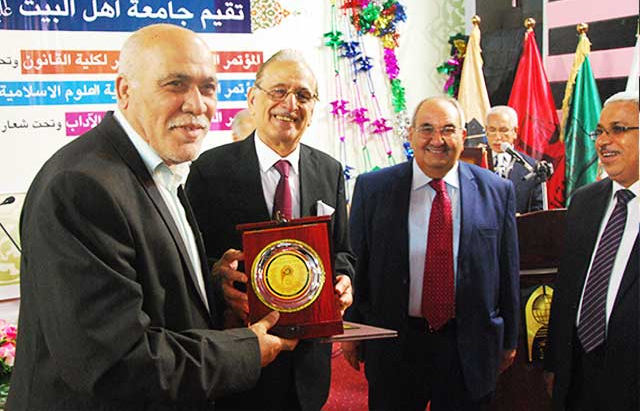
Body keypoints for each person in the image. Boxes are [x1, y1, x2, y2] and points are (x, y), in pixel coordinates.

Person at [6, 24, 297, 411]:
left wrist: (213, 286)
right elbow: (116, 364)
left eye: (208, 87)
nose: (197, 105)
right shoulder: (81, 186)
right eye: (176, 84)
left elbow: (148, 287)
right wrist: (246, 349)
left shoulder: (159, 168)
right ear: (125, 90)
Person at [186, 49, 355, 411]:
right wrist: (219, 278)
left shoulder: (329, 170)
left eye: (303, 95)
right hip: (240, 362)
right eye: (278, 91)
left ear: (313, 107)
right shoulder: (209, 171)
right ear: (252, 99)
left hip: (309, 366)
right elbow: (189, 261)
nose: (290, 105)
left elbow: (342, 251)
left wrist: (344, 280)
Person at [343, 95, 520, 411]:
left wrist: (509, 339)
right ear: (411, 134)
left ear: (463, 136)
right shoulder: (373, 189)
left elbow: (508, 271)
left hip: (468, 346)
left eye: (448, 129)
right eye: (427, 129)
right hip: (396, 344)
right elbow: (358, 266)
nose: (437, 140)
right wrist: (352, 330)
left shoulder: (497, 191)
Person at [544, 91, 638, 411]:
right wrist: (556, 363)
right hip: (579, 375)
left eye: (618, 129)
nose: (603, 141)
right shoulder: (584, 201)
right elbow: (567, 288)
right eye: (599, 131)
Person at [486, 105, 544, 213]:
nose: (497, 137)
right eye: (492, 130)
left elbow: (538, 211)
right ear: (486, 131)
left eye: (503, 130)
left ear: (515, 131)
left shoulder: (531, 167)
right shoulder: (475, 162)